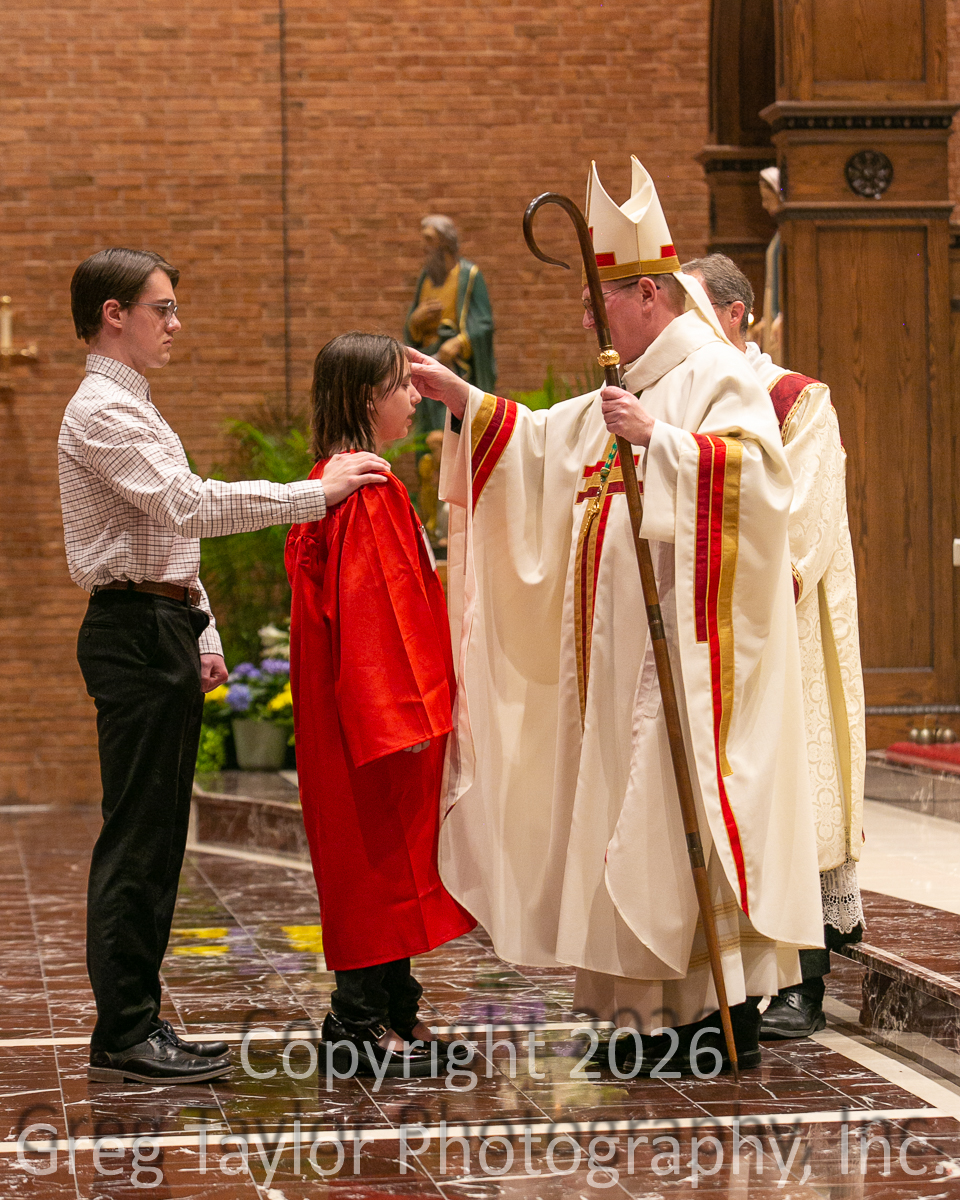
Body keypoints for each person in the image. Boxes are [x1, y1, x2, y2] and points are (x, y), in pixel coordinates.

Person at [408, 157, 823, 1075]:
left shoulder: (714, 373)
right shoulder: (627, 381)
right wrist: (465, 401)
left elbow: (760, 484)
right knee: (623, 821)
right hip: (620, 655)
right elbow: (547, 446)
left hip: (686, 659)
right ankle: (647, 1017)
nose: (586, 320)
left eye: (598, 303)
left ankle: (711, 1021)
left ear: (646, 293)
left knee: (672, 817)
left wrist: (662, 444)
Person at [59, 249, 390, 1085]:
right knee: (140, 838)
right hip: (134, 632)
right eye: (162, 308)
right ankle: (125, 1031)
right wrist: (316, 494)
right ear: (113, 315)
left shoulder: (133, 405)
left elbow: (163, 533)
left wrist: (202, 628)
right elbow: (189, 503)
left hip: (158, 623)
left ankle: (136, 1022)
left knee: (159, 835)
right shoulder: (103, 411)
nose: (176, 324)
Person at [683, 252, 866, 1038]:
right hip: (708, 625)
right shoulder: (688, 399)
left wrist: (745, 592)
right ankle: (737, 976)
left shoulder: (795, 397)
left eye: (699, 313)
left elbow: (805, 517)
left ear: (737, 314)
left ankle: (805, 982)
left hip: (778, 626)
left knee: (792, 793)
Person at [285, 332, 476, 1078]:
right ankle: (359, 1023)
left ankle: (396, 1011)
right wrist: (403, 716)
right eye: (402, 386)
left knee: (389, 869)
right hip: (375, 716)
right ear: (368, 398)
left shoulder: (336, 480)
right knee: (376, 869)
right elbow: (374, 614)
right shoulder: (362, 491)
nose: (413, 399)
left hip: (358, 714)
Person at [404, 215, 496, 435]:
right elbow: (411, 325)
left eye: (429, 239)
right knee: (429, 430)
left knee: (454, 428)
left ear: (445, 241)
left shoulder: (469, 275)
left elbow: (484, 323)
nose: (424, 246)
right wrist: (415, 321)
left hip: (456, 366)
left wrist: (460, 342)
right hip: (427, 359)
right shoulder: (426, 278)